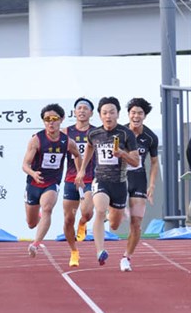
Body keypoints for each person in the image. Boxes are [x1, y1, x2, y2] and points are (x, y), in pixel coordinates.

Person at [75, 96, 139, 270]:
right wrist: (82, 169)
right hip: (101, 180)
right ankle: (100, 251)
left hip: (119, 183)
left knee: (114, 224)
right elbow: (89, 147)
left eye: (111, 112)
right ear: (100, 115)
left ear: (118, 114)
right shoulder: (94, 133)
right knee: (100, 210)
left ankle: (116, 214)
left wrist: (122, 154)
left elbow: (136, 162)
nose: (108, 116)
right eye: (104, 113)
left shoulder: (126, 134)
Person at [22, 104, 82, 263]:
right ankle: (38, 215)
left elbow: (77, 155)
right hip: (34, 183)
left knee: (48, 208)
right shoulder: (36, 140)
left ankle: (35, 244)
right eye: (47, 119)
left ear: (61, 120)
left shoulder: (67, 141)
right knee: (31, 223)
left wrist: (79, 173)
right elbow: (24, 165)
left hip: (51, 183)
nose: (51, 122)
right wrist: (33, 173)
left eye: (54, 119)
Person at [124, 97, 159, 271]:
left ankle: (126, 257)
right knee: (115, 221)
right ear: (128, 114)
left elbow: (154, 163)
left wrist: (151, 186)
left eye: (139, 113)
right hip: (119, 179)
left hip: (138, 180)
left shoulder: (150, 137)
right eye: (133, 113)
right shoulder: (120, 132)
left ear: (144, 116)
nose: (136, 116)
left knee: (136, 222)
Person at [62, 97, 96, 265]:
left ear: (91, 113)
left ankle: (83, 223)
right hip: (71, 179)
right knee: (68, 219)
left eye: (85, 108)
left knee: (87, 213)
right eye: (79, 108)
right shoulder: (66, 132)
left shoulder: (96, 132)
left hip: (90, 178)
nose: (82, 111)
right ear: (74, 112)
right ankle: (74, 251)